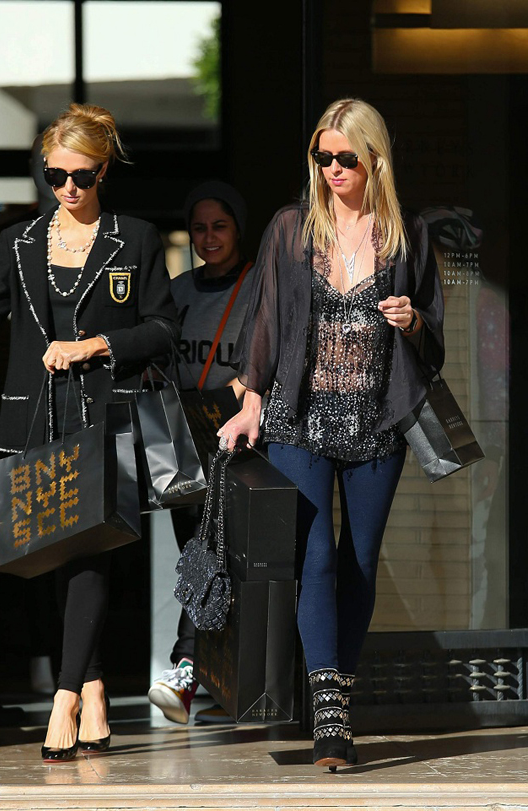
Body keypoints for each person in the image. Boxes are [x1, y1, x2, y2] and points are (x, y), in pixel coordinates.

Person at [0, 103, 180, 762]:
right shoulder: (18, 242)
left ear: (102, 170)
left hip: (104, 418)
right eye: (55, 176)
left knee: (89, 554)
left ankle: (65, 698)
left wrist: (93, 345)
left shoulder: (134, 238)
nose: (67, 188)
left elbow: (163, 328)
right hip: (33, 420)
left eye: (81, 175)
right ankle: (95, 687)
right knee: (51, 561)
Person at [217, 99, 444, 769]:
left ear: (375, 160)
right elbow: (264, 321)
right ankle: (330, 715)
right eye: (322, 157)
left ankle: (341, 685)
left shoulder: (407, 235)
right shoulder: (291, 228)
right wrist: (251, 401)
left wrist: (410, 320)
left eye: (347, 158)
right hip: (299, 419)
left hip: (377, 423)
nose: (333, 169)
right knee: (313, 560)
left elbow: (432, 338)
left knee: (358, 562)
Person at [147, 181, 255, 725]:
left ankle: (188, 667)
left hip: (238, 438)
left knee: (217, 551)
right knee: (197, 551)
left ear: (239, 229)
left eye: (220, 226)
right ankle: (207, 674)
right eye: (199, 227)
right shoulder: (178, 291)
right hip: (184, 438)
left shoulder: (259, 286)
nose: (209, 237)